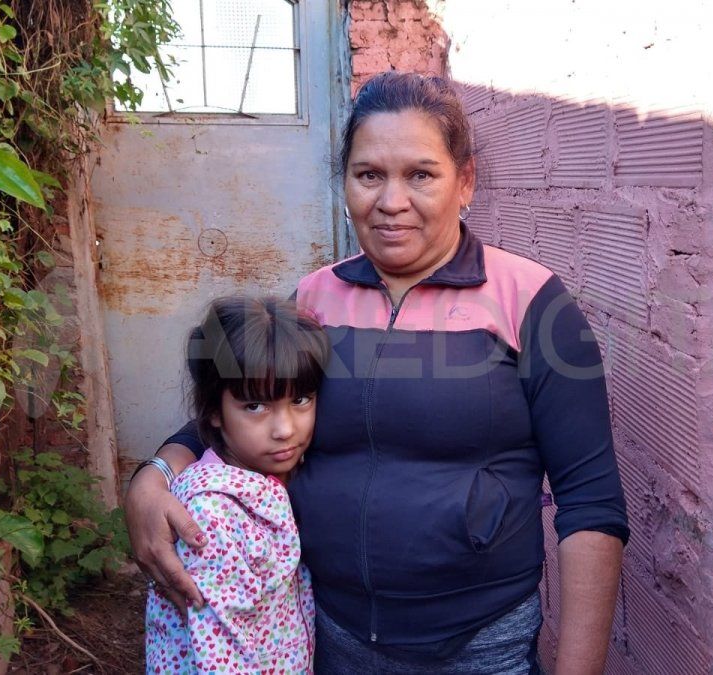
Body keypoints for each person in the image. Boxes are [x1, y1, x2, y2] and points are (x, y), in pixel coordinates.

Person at [127, 72, 629, 674]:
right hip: (328, 632)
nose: (392, 202)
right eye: (369, 175)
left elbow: (590, 501)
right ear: (344, 183)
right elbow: (238, 409)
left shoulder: (534, 303)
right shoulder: (315, 298)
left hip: (479, 643)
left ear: (464, 181)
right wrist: (152, 478)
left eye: (421, 174)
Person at [142, 296, 327, 673]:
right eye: (255, 407)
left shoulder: (262, 484)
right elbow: (221, 658)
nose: (285, 429)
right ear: (213, 411)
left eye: (301, 400)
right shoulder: (213, 514)